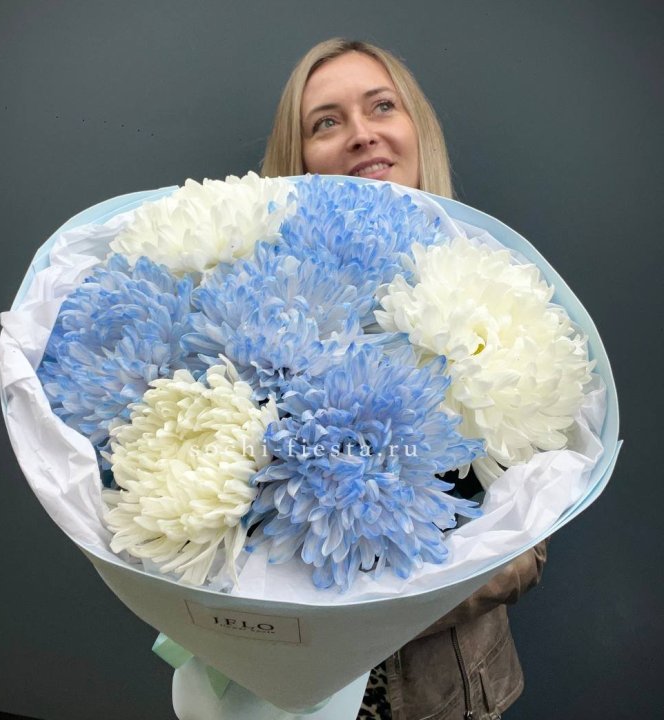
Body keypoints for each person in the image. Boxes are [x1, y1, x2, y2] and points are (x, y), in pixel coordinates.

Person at [262, 38, 549, 720]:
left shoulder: (499, 294)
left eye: (382, 107)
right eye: (326, 122)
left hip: (449, 696)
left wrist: (348, 611)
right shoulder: (257, 295)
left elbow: (526, 552)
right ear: (299, 159)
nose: (361, 133)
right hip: (276, 698)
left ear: (418, 128)